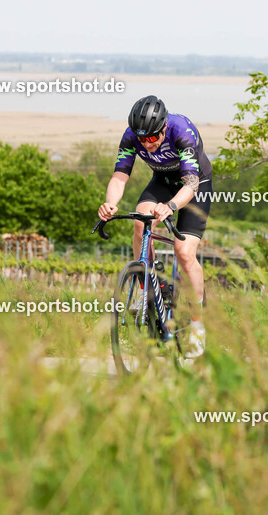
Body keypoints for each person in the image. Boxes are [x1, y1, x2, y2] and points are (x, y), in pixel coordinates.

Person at [97, 95, 213, 358]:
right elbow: (120, 176)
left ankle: (197, 324)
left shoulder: (182, 131)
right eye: (143, 140)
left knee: (184, 252)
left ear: (163, 127)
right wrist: (110, 204)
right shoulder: (132, 136)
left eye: (152, 138)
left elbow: (191, 183)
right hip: (162, 181)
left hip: (195, 186)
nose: (147, 144)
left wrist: (171, 206)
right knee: (140, 222)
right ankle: (146, 290)